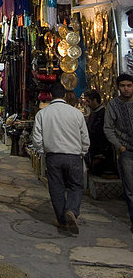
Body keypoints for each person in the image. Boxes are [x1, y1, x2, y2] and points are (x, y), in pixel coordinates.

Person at [32, 81, 90, 234]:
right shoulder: (76, 113)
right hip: (74, 155)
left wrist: (44, 151)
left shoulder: (42, 114)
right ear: (65, 95)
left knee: (56, 188)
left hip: (54, 156)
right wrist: (82, 152)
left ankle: (62, 220)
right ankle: (71, 210)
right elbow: (85, 137)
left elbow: (37, 139)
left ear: (50, 96)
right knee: (75, 186)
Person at [103, 73, 133, 232]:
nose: (126, 89)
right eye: (123, 86)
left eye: (129, 85)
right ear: (118, 87)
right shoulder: (114, 105)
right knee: (130, 188)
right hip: (126, 151)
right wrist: (119, 146)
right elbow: (108, 128)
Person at [83, 89, 115, 176]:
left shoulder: (103, 114)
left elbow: (98, 133)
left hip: (101, 153)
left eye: (88, 101)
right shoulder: (93, 113)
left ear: (95, 100)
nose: (87, 104)